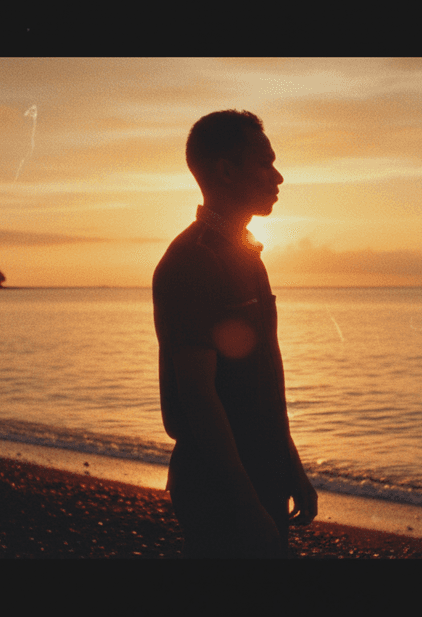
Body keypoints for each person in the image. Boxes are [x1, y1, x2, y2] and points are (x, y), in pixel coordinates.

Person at [152, 110, 317, 558]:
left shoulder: (245, 254)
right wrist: (244, 504)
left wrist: (291, 467)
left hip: (261, 473)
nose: (278, 176)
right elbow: (198, 396)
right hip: (218, 485)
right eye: (264, 163)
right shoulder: (193, 261)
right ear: (226, 171)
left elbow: (265, 376)